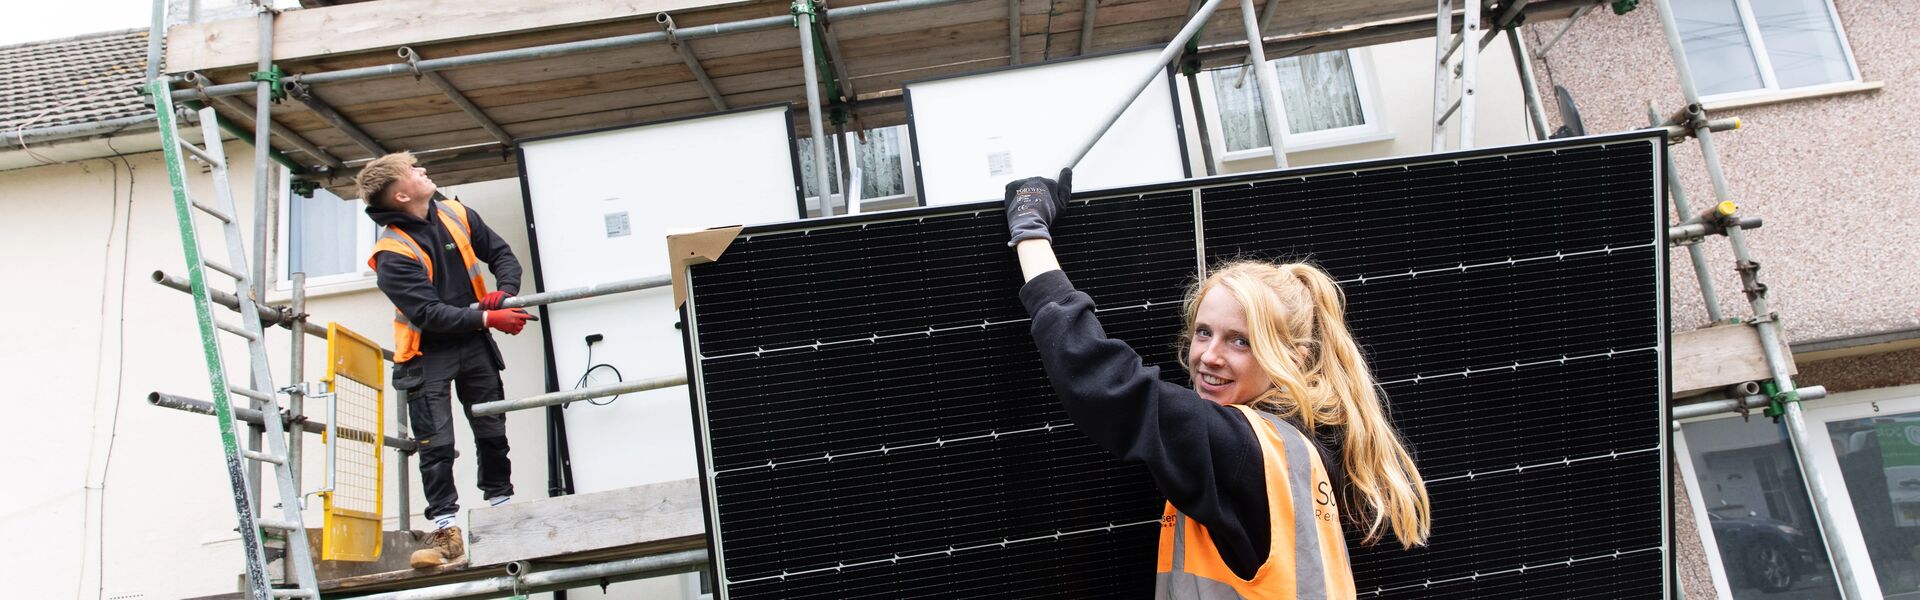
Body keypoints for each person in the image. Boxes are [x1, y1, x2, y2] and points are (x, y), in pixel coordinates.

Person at [1003, 171, 1430, 598]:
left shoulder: (1241, 449)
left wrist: (1030, 234)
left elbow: (1107, 385)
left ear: (1294, 358)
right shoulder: (1306, 444)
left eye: (1240, 341)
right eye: (1203, 332)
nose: (1209, 356)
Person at [355, 152, 534, 568]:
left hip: (472, 343)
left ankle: (502, 509)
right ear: (401, 194)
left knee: (491, 429)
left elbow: (503, 255)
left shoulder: (456, 212)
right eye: (413, 171)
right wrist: (489, 316)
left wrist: (504, 292)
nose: (423, 171)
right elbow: (429, 314)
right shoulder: (392, 253)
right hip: (426, 353)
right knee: (437, 446)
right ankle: (445, 533)